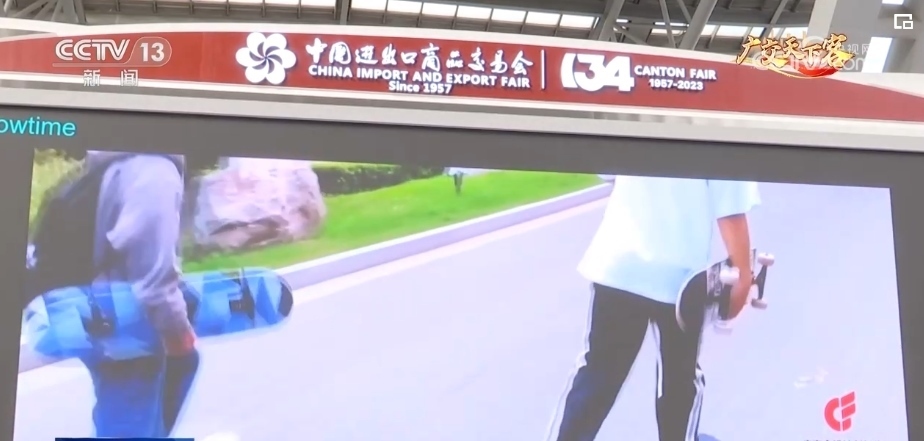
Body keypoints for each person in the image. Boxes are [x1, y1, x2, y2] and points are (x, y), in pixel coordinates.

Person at [549, 175, 761, 441]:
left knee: (596, 377)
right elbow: (730, 204)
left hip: (619, 264)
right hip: (678, 280)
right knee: (679, 382)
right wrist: (743, 275)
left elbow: (608, 170)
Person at [81, 151, 200, 437]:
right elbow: (153, 278)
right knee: (130, 419)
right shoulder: (153, 170)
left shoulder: (112, 163)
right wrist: (177, 330)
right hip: (129, 326)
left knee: (129, 409)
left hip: (100, 313)